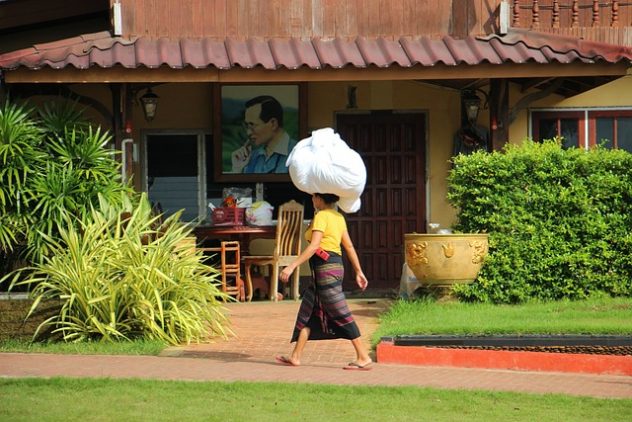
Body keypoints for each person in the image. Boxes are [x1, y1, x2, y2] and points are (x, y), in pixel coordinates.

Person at [275, 193, 373, 370]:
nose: (312, 199)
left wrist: (291, 266)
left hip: (325, 270)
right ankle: (296, 356)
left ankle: (363, 356)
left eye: (314, 196)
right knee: (309, 310)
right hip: (333, 268)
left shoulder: (322, 216)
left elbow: (314, 246)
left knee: (340, 312)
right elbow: (348, 246)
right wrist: (358, 271)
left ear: (320, 198)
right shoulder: (337, 217)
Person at [231, 95, 297, 174]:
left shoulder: (298, 153)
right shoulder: (252, 157)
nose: (248, 132)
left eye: (252, 125)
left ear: (273, 124)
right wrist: (237, 169)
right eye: (247, 126)